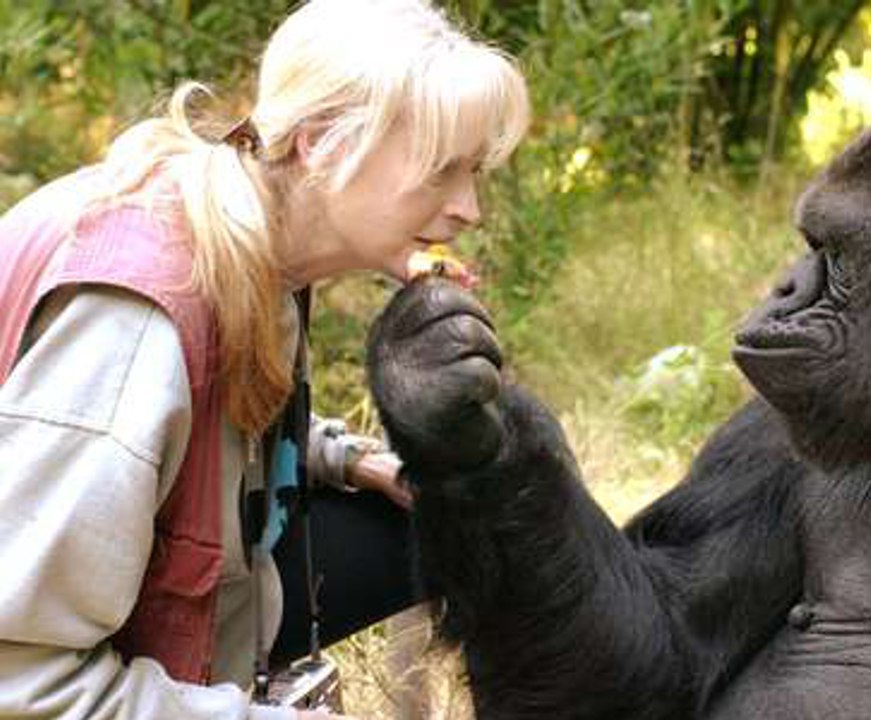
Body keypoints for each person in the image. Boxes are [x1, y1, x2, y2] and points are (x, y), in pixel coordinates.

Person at [0, 0, 529, 718]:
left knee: (447, 521)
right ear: (321, 143)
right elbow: (20, 680)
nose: (470, 209)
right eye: (442, 171)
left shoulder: (248, 233)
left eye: (474, 173)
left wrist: (342, 458)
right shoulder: (136, 321)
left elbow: (188, 428)